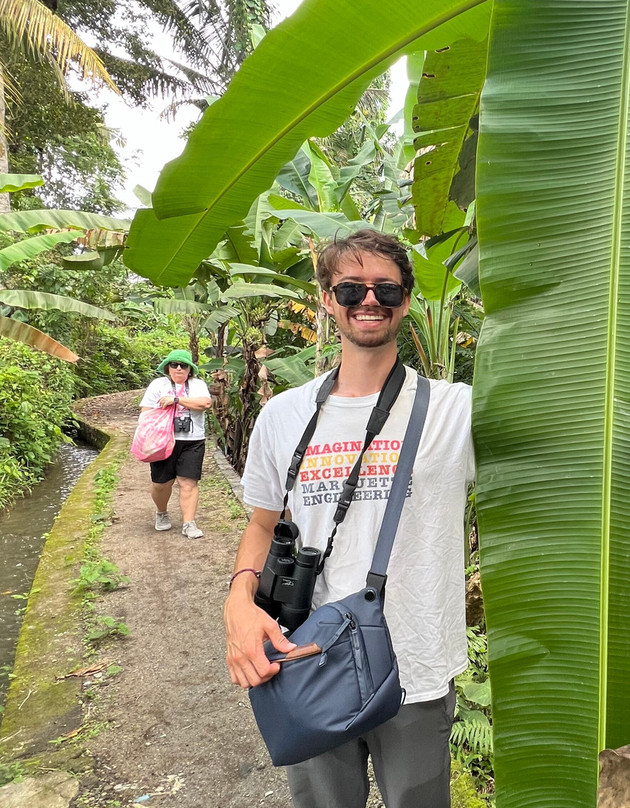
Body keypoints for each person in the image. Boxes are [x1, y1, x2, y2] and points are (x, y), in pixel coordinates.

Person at [224, 229, 473, 808]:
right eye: (351, 288)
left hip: (415, 666)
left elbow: (562, 426)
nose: (369, 300)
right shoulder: (282, 415)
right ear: (327, 299)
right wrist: (237, 602)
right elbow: (264, 524)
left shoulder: (455, 408)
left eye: (387, 289)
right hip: (308, 658)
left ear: (406, 301)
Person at [139, 350, 213, 539]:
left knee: (188, 482)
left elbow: (205, 404)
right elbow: (146, 413)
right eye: (174, 365)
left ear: (190, 369)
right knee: (161, 483)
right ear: (168, 368)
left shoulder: (197, 385)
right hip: (163, 441)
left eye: (183, 365)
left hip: (192, 441)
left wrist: (176, 400)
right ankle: (162, 512)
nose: (179, 368)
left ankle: (189, 523)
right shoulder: (158, 385)